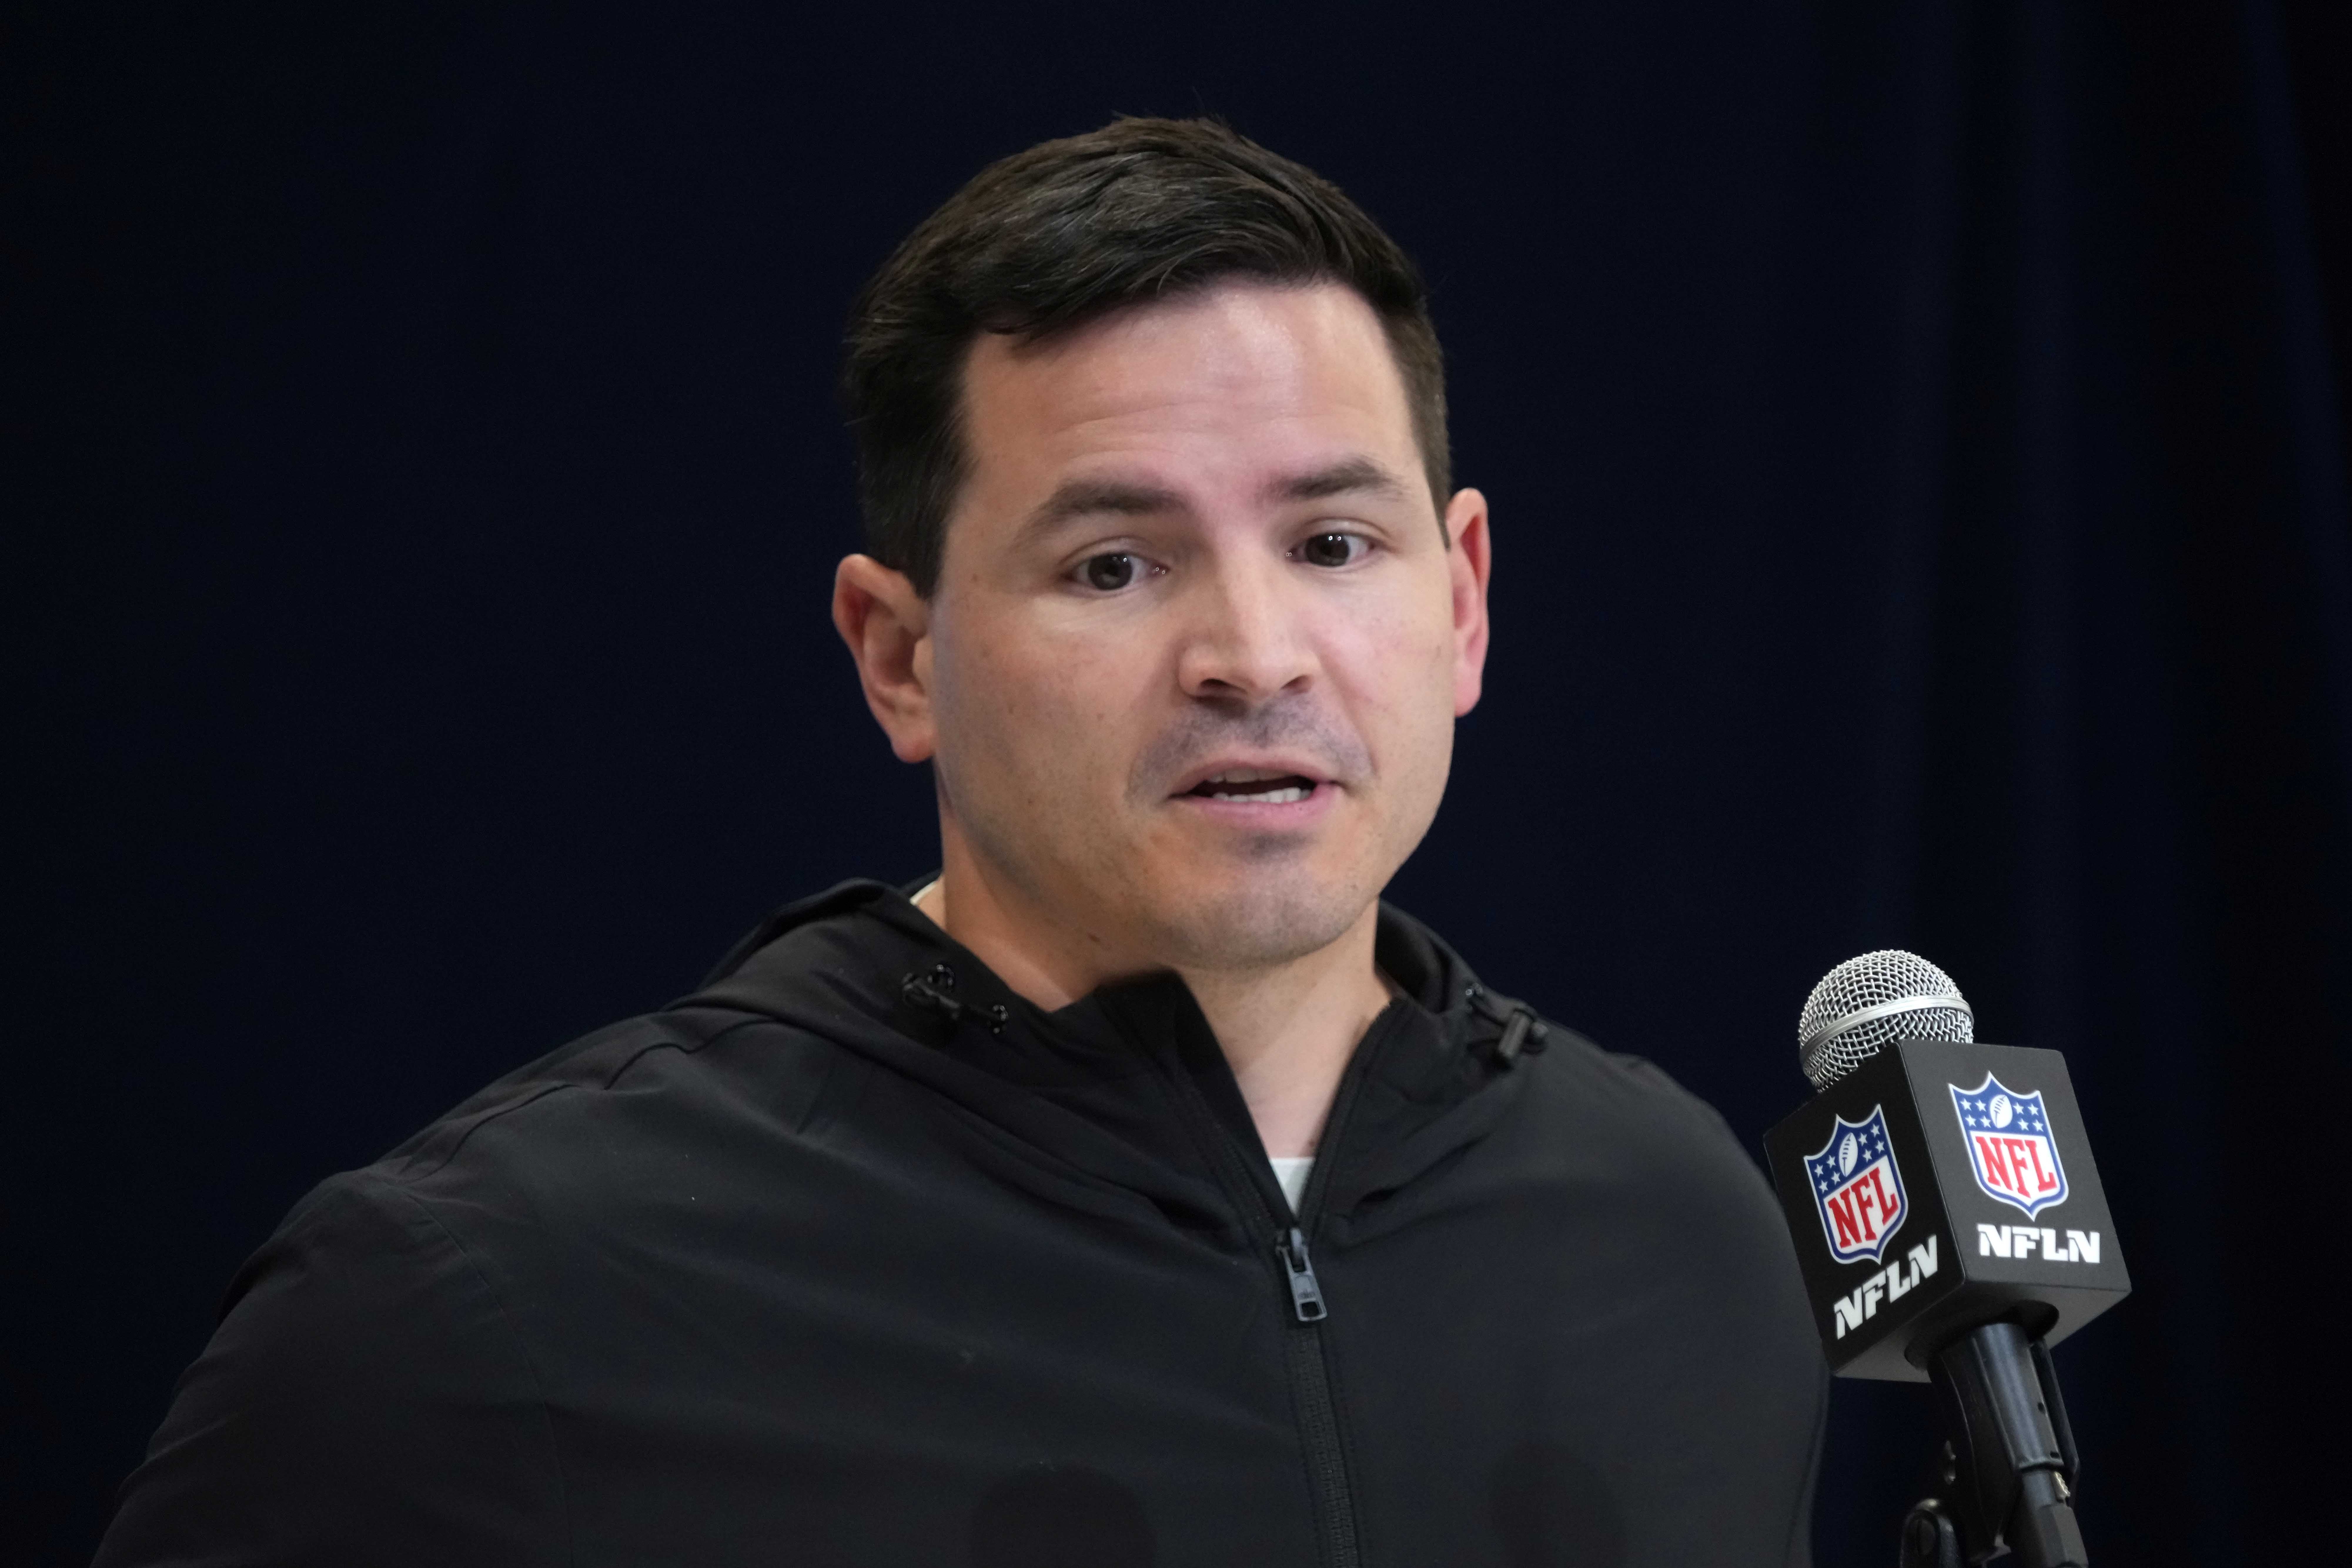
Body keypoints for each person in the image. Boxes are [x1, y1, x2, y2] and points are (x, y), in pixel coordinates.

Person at [96, 118, 1823, 1567]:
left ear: (1463, 602)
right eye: (1113, 565)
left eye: (1331, 544)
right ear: (900, 657)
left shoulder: (1678, 1234)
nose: (1252, 655)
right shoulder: (484, 1305)